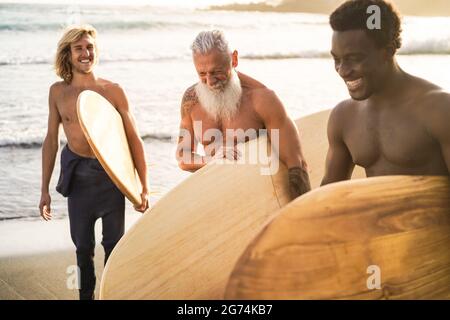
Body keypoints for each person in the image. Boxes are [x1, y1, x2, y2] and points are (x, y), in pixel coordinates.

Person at [38, 25, 149, 300]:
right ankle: (85, 296)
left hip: (109, 176)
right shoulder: (57, 93)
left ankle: (113, 294)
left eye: (90, 47)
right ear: (68, 54)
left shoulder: (113, 91)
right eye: (79, 48)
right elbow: (51, 140)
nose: (86, 53)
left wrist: (142, 186)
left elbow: (134, 140)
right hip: (78, 178)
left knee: (114, 245)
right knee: (82, 247)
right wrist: (44, 190)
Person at [322, 0, 450, 185]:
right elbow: (328, 195)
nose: (342, 70)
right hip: (373, 214)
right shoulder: (343, 117)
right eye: (336, 59)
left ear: (387, 51)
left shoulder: (439, 110)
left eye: (354, 58)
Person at [176, 30, 311, 199]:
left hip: (257, 196)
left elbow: (296, 165)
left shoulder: (262, 99)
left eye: (216, 72)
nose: (210, 82)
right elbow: (183, 156)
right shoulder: (191, 101)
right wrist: (211, 160)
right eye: (202, 74)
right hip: (214, 196)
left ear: (234, 59)